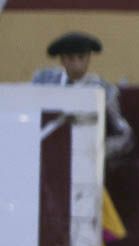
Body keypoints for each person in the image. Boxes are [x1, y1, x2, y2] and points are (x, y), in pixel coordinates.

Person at [33, 32, 133, 161]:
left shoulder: (102, 89)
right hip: (49, 156)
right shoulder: (46, 83)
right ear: (62, 60)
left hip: (86, 162)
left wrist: (98, 151)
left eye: (81, 57)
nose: (76, 64)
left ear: (88, 58)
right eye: (70, 58)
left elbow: (125, 135)